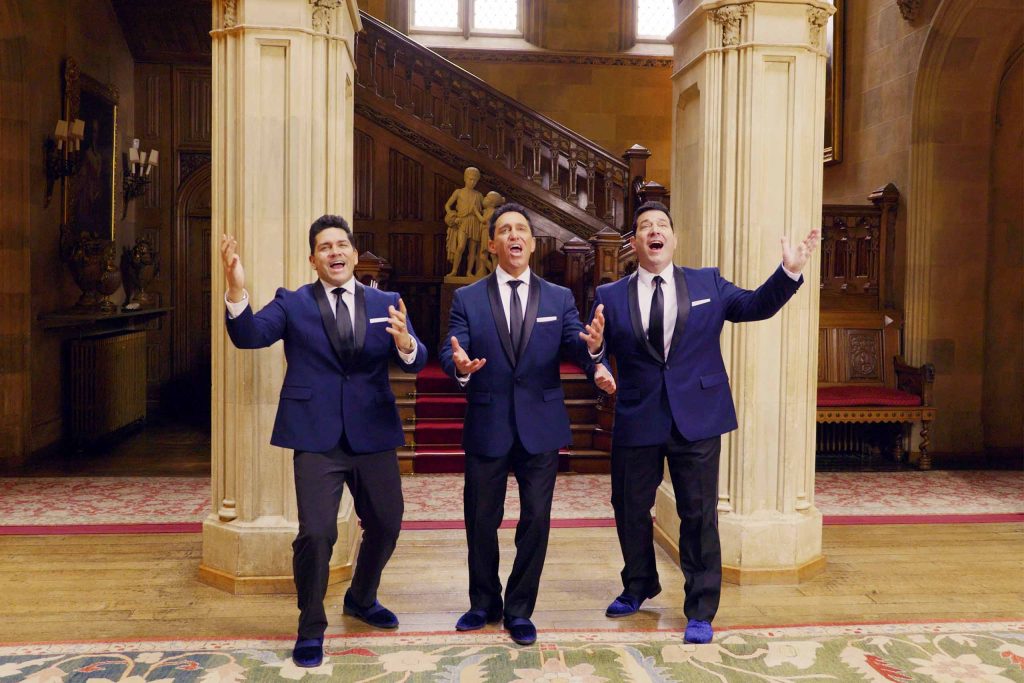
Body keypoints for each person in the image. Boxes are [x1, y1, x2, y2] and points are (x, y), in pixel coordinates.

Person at [592, 201, 819, 645]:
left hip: (697, 416)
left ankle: (699, 608)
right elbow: (592, 345)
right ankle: (639, 584)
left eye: (662, 226)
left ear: (674, 240)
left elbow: (755, 305)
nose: (654, 231)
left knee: (698, 515)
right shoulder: (610, 296)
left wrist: (788, 273)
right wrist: (597, 363)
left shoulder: (707, 283)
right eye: (644, 227)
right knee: (629, 507)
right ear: (634, 243)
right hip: (638, 414)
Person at [220, 214, 427, 668]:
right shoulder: (292, 303)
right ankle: (310, 625)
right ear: (312, 258)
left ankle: (362, 597)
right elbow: (249, 335)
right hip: (315, 436)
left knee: (388, 523)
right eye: (324, 247)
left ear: (354, 254)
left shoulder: (386, 300)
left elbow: (414, 358)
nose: (335, 252)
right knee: (317, 533)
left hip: (372, 432)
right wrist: (237, 290)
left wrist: (407, 343)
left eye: (342, 245)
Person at [439, 202, 615, 646]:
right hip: (488, 421)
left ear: (533, 244)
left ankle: (520, 609)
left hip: (540, 424)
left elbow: (578, 346)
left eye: (522, 229)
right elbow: (451, 347)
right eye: (505, 230)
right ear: (493, 243)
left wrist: (594, 351)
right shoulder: (468, 297)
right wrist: (459, 365)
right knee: (481, 518)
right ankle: (483, 602)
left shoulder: (558, 298)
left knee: (536, 519)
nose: (514, 236)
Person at [444, 167, 484, 277]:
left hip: (474, 222)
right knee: (460, 246)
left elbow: (484, 208)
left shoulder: (478, 195)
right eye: (470, 179)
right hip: (462, 222)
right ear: (465, 179)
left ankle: (469, 272)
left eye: (475, 180)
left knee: (473, 249)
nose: (472, 182)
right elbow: (447, 205)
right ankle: (454, 270)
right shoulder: (459, 192)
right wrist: (452, 215)